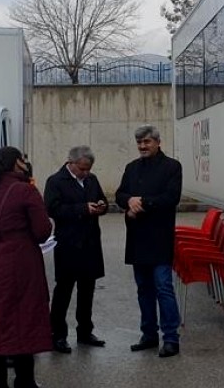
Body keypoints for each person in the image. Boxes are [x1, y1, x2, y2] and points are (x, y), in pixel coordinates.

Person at [0, 146, 54, 388]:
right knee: (26, 316)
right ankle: (25, 381)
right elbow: (42, 230)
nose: (25, 162)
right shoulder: (25, 190)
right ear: (15, 164)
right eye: (22, 159)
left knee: (0, 317)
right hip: (22, 259)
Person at [116, 125, 183, 358]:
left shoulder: (172, 167)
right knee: (143, 289)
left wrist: (141, 203)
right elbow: (120, 194)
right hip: (136, 239)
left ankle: (171, 338)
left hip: (160, 238)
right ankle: (149, 334)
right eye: (139, 143)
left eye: (146, 142)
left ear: (157, 142)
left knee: (163, 287)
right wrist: (129, 201)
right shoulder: (131, 168)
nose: (142, 146)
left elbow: (171, 197)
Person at [43, 145, 109, 353]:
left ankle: (85, 331)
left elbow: (103, 200)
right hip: (68, 244)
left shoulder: (92, 179)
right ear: (70, 163)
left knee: (87, 290)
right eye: (82, 169)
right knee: (63, 291)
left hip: (90, 243)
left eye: (88, 169)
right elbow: (52, 209)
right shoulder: (55, 181)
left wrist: (101, 206)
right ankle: (58, 335)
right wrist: (82, 209)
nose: (85, 173)